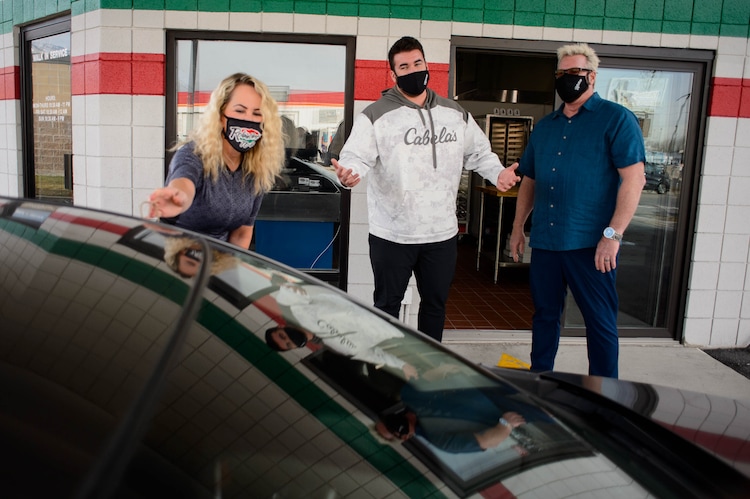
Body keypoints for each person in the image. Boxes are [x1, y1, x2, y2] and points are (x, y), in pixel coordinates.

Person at [332, 36, 520, 342]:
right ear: (393, 74)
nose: (413, 70)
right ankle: (384, 363)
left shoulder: (454, 113)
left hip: (440, 235)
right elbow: (355, 157)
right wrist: (349, 174)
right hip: (392, 235)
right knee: (387, 307)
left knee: (435, 306)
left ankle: (428, 363)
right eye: (404, 66)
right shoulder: (375, 115)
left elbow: (479, 153)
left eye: (417, 63)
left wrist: (497, 173)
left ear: (426, 65)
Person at [508, 43, 646, 378]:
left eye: (574, 72)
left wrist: (612, 236)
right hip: (547, 241)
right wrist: (517, 227)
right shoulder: (546, 126)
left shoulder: (616, 119)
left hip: (591, 244)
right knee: (544, 316)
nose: (566, 78)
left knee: (599, 321)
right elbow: (530, 179)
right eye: (561, 73)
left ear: (592, 76)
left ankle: (604, 393)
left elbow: (634, 180)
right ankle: (540, 381)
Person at [148, 73, 285, 249]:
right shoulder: (194, 154)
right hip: (176, 256)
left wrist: (233, 265)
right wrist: (178, 195)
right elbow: (184, 181)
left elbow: (242, 232)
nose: (248, 119)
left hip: (219, 261)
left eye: (257, 113)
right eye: (239, 111)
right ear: (220, 115)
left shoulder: (255, 166)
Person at [265, 282, 419, 380]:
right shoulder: (338, 348)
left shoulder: (299, 308)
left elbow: (291, 291)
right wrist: (402, 366)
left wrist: (288, 291)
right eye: (288, 344)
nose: (289, 339)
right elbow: (375, 356)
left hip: (381, 305)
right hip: (397, 333)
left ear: (281, 327)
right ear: (294, 348)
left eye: (282, 336)